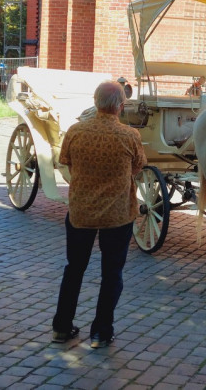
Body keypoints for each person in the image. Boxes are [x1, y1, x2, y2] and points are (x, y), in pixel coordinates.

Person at [52, 81, 147, 349]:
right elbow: (139, 166)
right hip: (116, 216)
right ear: (120, 106)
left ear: (95, 103)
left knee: (74, 269)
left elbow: (66, 161)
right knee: (111, 273)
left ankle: (61, 327)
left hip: (81, 213)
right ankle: (101, 332)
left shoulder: (75, 132)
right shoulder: (129, 136)